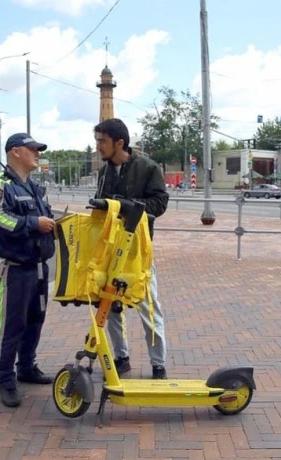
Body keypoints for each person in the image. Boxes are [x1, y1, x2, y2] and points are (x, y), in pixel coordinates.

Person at [0, 132, 56, 407]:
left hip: (37, 267)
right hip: (13, 269)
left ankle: (26, 366)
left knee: (34, 320)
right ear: (15, 152)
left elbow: (44, 216)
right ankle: (5, 379)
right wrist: (34, 224)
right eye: (32, 149)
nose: (37, 153)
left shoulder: (33, 187)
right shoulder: (0, 185)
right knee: (9, 325)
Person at [93, 118, 170, 379]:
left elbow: (159, 204)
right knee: (110, 306)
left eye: (102, 141)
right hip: (111, 252)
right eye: (97, 141)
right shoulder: (104, 173)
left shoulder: (148, 168)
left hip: (138, 253)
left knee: (148, 308)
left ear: (120, 143)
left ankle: (158, 364)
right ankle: (121, 357)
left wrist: (125, 205)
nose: (98, 147)